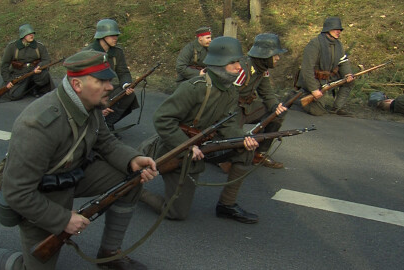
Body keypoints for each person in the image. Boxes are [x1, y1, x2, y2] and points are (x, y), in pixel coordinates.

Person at [0, 50, 158, 270]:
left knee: (131, 179)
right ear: (77, 85)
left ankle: (110, 254)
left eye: (109, 80)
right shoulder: (38, 124)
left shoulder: (89, 104)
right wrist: (63, 219)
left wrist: (133, 158)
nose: (110, 86)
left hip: (72, 176)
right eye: (102, 81)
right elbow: (17, 192)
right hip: (38, 193)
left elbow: (105, 141)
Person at [139, 36, 260, 224]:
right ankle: (135, 192)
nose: (239, 67)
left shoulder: (230, 91)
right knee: (176, 213)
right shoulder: (194, 88)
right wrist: (186, 146)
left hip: (201, 147)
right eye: (234, 62)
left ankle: (227, 205)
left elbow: (226, 123)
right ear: (220, 64)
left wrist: (243, 138)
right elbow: (162, 119)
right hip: (174, 149)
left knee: (244, 150)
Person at [220, 33, 288, 171]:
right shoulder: (244, 69)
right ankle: (221, 156)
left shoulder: (262, 70)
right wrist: (232, 126)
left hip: (246, 107)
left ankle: (259, 154)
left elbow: (267, 92)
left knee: (275, 114)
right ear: (266, 55)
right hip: (231, 109)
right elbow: (227, 96)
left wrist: (275, 106)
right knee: (235, 141)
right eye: (275, 55)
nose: (277, 58)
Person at [82, 19, 138, 137]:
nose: (115, 38)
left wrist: (126, 84)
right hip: (90, 91)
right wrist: (98, 105)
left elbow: (123, 71)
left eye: (116, 35)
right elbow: (84, 81)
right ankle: (95, 122)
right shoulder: (88, 53)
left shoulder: (117, 53)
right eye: (112, 35)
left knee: (128, 94)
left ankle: (108, 123)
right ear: (102, 36)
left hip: (106, 89)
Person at [296, 16, 355, 116]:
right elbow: (307, 69)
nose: (339, 31)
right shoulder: (314, 44)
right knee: (318, 111)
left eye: (339, 29)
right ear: (328, 29)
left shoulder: (339, 45)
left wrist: (348, 74)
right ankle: (296, 99)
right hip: (313, 80)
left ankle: (336, 108)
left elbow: (343, 61)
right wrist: (314, 90)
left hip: (328, 79)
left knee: (349, 81)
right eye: (336, 29)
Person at [0, 23, 54, 103]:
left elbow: (46, 60)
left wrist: (39, 67)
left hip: (35, 73)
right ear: (23, 35)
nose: (32, 36)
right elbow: (4, 65)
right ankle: (27, 88)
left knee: (44, 75)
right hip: (19, 74)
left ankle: (36, 88)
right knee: (14, 95)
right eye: (29, 34)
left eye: (32, 34)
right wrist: (7, 81)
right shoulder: (12, 47)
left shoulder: (39, 46)